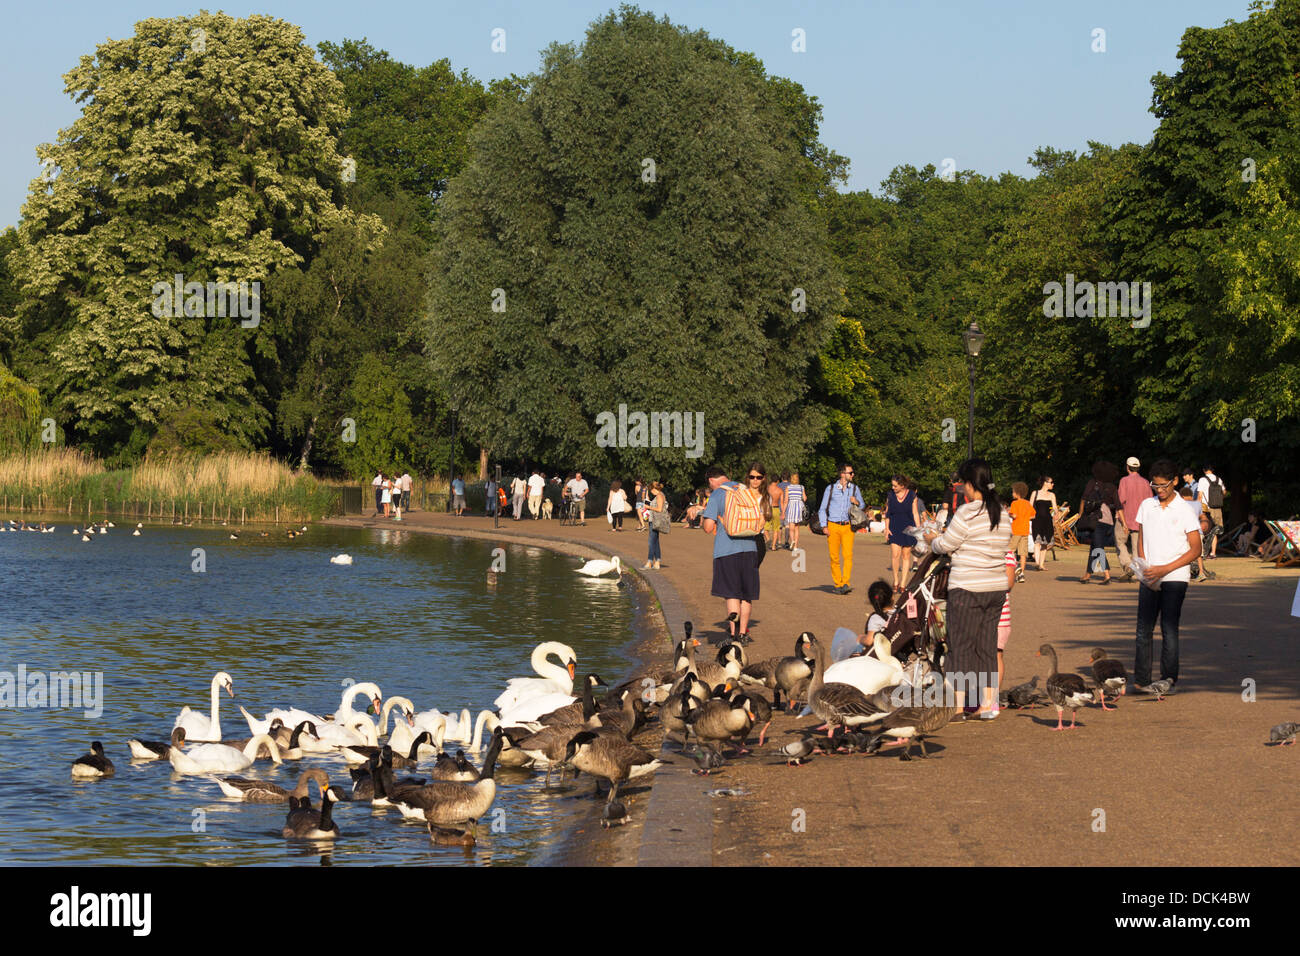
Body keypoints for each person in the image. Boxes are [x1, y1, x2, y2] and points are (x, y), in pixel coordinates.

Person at [923, 458, 1012, 718]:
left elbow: (946, 544)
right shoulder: (1002, 514)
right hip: (995, 588)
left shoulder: (967, 512)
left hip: (967, 587)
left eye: (963, 484)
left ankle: (959, 706)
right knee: (986, 647)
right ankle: (987, 704)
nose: (961, 488)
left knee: (959, 646)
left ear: (971, 484)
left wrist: (932, 539)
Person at [1133, 459, 1201, 693]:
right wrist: (1145, 567)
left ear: (1175, 481)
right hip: (1149, 576)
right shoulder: (1146, 505)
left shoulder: (1185, 510)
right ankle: (1141, 680)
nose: (1159, 490)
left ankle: (1168, 679)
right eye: (1155, 486)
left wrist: (1165, 569)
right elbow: (1141, 539)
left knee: (1169, 629)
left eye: (1164, 486)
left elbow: (1196, 549)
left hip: (1175, 576)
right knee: (1143, 629)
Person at [702, 464, 762, 642]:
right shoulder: (745, 489)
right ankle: (743, 633)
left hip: (727, 550)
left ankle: (734, 633)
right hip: (750, 548)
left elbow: (708, 528)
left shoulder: (718, 494)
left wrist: (704, 516)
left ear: (711, 480)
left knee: (732, 594)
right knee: (746, 595)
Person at [818, 464, 865, 595]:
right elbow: (822, 508)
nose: (853, 475)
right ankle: (837, 584)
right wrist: (824, 526)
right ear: (842, 474)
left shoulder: (855, 489)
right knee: (834, 557)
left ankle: (845, 583)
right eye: (851, 472)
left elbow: (862, 505)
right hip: (832, 525)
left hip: (848, 526)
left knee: (848, 556)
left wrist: (856, 502)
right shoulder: (831, 489)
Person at [883, 474, 922, 594]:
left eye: (895, 486)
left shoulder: (911, 495)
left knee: (906, 556)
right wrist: (886, 528)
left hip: (909, 528)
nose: (893, 487)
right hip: (894, 527)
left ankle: (903, 583)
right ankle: (895, 581)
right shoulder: (890, 495)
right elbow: (887, 513)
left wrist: (919, 529)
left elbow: (915, 513)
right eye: (892, 485)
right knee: (895, 555)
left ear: (902, 485)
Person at [1079, 466, 1119, 585]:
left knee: (1098, 548)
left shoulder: (1093, 483)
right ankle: (1088, 574)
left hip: (1095, 519)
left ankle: (1107, 575)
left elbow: (1083, 499)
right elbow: (1118, 505)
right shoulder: (1111, 487)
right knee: (1095, 546)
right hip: (1108, 521)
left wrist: (1081, 515)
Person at [1116, 457, 1148, 580]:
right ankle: (1135, 571)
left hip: (1124, 518)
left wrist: (1117, 514)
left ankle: (1127, 566)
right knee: (1137, 546)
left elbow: (1121, 500)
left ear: (1127, 467)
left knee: (1120, 542)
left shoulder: (1124, 480)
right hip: (1140, 520)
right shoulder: (1145, 482)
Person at [995, 549, 1017, 714]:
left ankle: (991, 698)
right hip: (980, 612)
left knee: (996, 655)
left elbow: (1009, 583)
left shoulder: (1007, 554)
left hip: (999, 614)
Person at [857, 579, 896, 654]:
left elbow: (869, 641)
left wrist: (860, 638)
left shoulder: (876, 618)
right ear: (892, 597)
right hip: (898, 648)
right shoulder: (899, 614)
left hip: (882, 653)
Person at [1007, 482, 1035, 583]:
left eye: (1013, 491)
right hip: (1025, 530)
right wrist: (1025, 517)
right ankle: (1021, 573)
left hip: (1016, 530)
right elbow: (1033, 516)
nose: (1012, 493)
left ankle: (1013, 569)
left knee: (1010, 551)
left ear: (1017, 493)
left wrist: (1009, 514)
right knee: (1023, 553)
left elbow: (1014, 515)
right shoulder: (1027, 503)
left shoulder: (1014, 503)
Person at [1028, 476, 1058, 571]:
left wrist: (1054, 515)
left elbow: (1053, 509)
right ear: (1045, 483)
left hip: (1048, 521)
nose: (1052, 484)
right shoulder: (1035, 493)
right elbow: (1030, 507)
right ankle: (1037, 563)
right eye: (1051, 482)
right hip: (1037, 521)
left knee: (1045, 543)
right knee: (1037, 542)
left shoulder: (1052, 495)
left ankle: (1041, 564)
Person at [1199, 465, 1226, 558]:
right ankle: (1213, 553)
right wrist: (1219, 500)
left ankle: (1203, 552)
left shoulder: (1202, 480)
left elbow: (1200, 495)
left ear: (1204, 470)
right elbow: (1224, 492)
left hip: (1206, 507)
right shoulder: (1219, 479)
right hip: (1217, 508)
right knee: (1214, 531)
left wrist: (1198, 508)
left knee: (1205, 529)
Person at [644, 480, 667, 570]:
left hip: (655, 521)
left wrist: (648, 507)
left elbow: (659, 509)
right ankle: (657, 561)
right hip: (655, 520)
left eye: (651, 490)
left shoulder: (659, 496)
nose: (651, 492)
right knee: (655, 541)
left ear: (654, 489)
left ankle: (649, 561)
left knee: (651, 542)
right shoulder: (661, 495)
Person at [784, 471, 806, 554]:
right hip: (798, 507)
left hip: (791, 507)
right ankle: (796, 546)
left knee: (791, 527)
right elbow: (805, 498)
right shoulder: (801, 487)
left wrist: (783, 511)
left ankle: (792, 540)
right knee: (797, 528)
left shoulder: (788, 488)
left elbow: (786, 500)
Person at [765, 476, 785, 550]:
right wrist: (783, 513)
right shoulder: (780, 490)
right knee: (776, 529)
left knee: (764, 528)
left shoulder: (767, 488)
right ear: (777, 481)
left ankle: (768, 539)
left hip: (768, 508)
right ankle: (773, 546)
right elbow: (782, 503)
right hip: (776, 509)